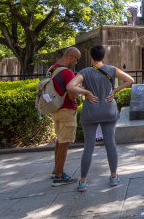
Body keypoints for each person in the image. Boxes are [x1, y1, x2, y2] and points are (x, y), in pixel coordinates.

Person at [66, 45, 134, 191]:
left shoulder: (84, 72)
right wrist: (114, 90)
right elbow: (130, 80)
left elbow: (70, 86)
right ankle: (114, 177)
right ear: (103, 57)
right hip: (108, 110)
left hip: (90, 112)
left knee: (88, 147)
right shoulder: (112, 69)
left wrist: (87, 93)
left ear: (90, 56)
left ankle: (83, 181)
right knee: (110, 144)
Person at [50, 47, 81, 187]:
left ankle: (57, 169)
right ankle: (59, 176)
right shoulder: (67, 73)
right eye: (76, 59)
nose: (76, 62)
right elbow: (72, 94)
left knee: (59, 139)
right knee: (65, 142)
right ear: (71, 57)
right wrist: (78, 90)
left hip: (55, 109)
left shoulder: (52, 69)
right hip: (67, 109)